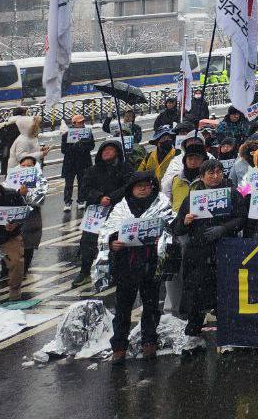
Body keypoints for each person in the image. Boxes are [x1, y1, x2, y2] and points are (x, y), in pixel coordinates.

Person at [171, 158, 244, 346]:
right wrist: (185, 221)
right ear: (202, 177)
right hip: (198, 253)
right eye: (210, 173)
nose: (215, 176)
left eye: (218, 172)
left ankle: (228, 333)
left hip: (225, 250)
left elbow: (242, 219)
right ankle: (193, 331)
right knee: (195, 294)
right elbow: (177, 229)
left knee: (225, 292)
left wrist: (224, 228)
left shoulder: (233, 194)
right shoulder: (192, 197)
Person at [106, 172, 165, 362]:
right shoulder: (120, 208)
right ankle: (119, 346)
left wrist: (162, 240)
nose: (142, 189)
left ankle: (149, 341)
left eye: (146, 185)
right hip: (126, 265)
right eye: (138, 185)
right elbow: (107, 232)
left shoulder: (162, 205)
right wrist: (112, 243)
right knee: (123, 308)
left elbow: (171, 229)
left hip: (150, 263)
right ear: (131, 188)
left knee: (151, 306)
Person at [71, 138, 134, 288]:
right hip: (96, 212)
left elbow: (129, 187)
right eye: (104, 150)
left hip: (116, 211)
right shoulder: (93, 170)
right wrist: (99, 197)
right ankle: (85, 271)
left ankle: (111, 272)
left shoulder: (125, 168)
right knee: (88, 242)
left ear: (118, 152)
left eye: (110, 150)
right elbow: (84, 189)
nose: (106, 152)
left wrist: (112, 198)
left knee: (112, 242)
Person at [13, 153, 47, 274]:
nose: (26, 167)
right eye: (23, 165)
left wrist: (25, 194)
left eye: (29, 165)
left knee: (27, 246)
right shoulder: (13, 177)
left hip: (31, 219)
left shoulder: (39, 180)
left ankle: (24, 270)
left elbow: (39, 200)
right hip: (14, 218)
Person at [59, 114, 95, 212]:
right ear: (74, 124)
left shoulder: (87, 133)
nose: (82, 124)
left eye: (82, 122)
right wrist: (74, 147)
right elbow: (63, 149)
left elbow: (92, 146)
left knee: (82, 182)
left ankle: (81, 200)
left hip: (84, 162)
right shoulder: (66, 134)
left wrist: (83, 146)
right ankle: (67, 202)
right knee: (69, 183)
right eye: (79, 122)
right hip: (70, 163)